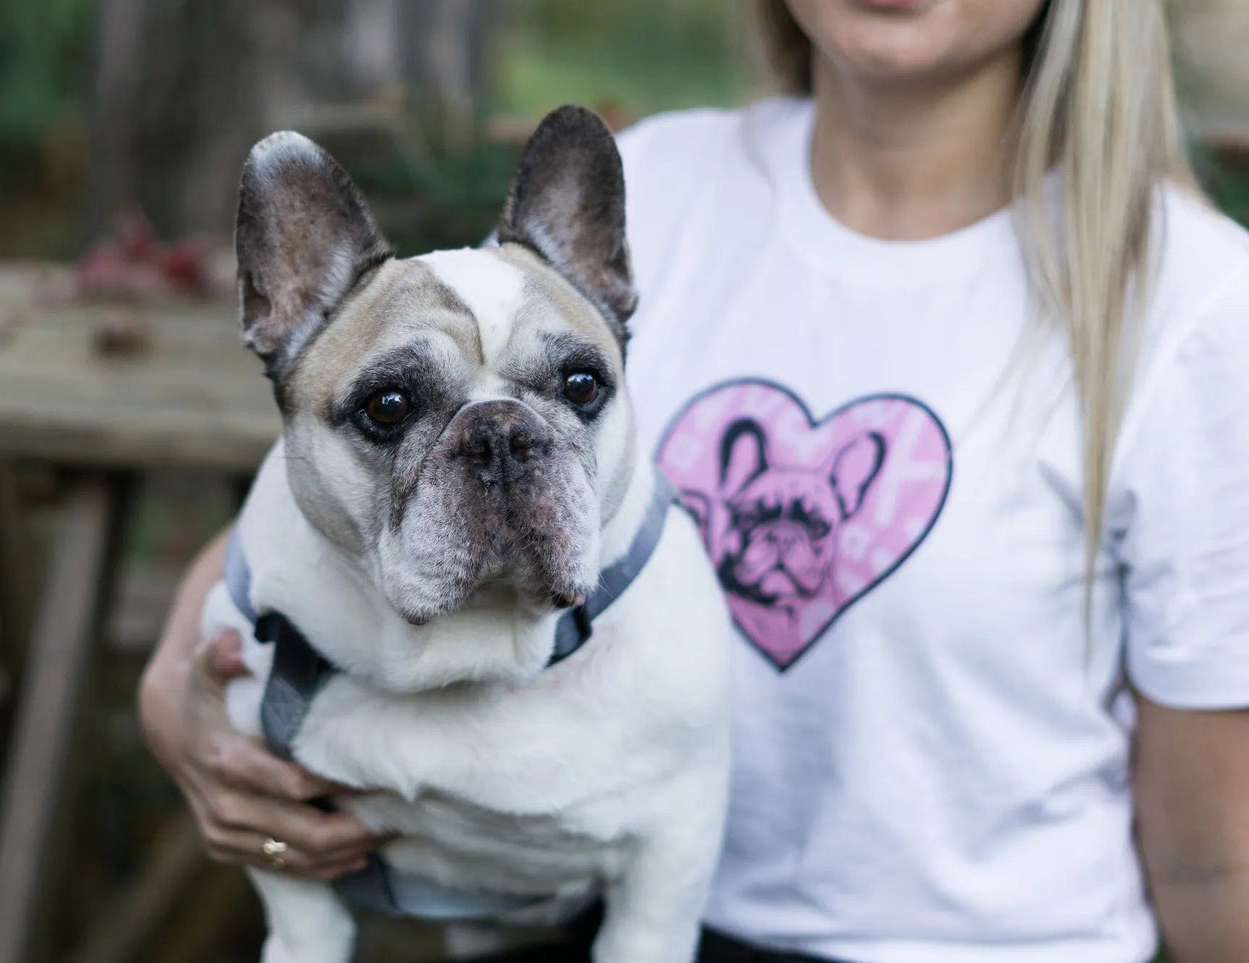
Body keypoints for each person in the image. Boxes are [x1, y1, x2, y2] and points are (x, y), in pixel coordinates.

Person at [138, 1, 1249, 960]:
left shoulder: (1188, 305)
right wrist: (178, 696)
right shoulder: (662, 185)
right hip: (604, 925)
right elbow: (328, 498)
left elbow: (1211, 862)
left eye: (570, 393)